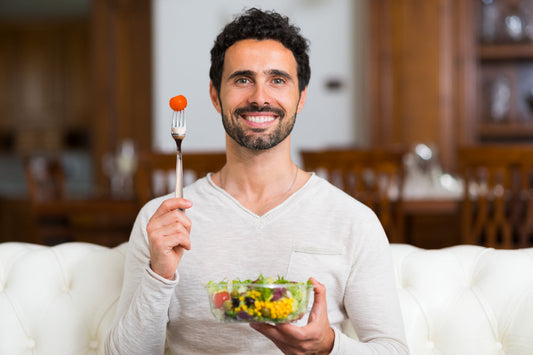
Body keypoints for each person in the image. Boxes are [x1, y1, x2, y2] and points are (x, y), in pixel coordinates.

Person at [105, 7, 408, 355]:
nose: (260, 97)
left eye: (277, 80)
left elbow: (393, 349)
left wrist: (328, 346)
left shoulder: (353, 221)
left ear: (301, 97)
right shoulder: (162, 222)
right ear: (216, 96)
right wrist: (159, 274)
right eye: (243, 79)